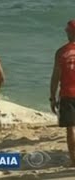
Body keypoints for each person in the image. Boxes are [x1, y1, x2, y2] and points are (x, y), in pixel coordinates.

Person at [50, 19, 75, 167]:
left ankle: (74, 160)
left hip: (67, 94)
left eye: (67, 30)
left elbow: (55, 76)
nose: (65, 32)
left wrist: (52, 97)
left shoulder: (61, 52)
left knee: (70, 128)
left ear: (71, 32)